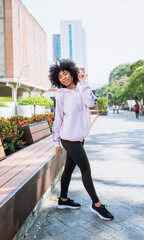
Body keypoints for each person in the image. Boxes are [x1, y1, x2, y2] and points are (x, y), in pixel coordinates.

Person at [49, 59, 114, 221]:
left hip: (79, 138)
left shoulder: (81, 89)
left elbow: (90, 102)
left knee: (69, 170)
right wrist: (56, 142)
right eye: (60, 76)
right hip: (68, 138)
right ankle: (97, 204)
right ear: (58, 80)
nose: (63, 78)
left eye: (65, 73)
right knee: (86, 170)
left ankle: (63, 200)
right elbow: (58, 119)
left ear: (71, 73)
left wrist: (84, 82)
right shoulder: (61, 95)